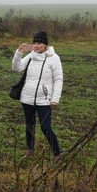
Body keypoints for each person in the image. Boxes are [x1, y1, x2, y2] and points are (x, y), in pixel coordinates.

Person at [12, 31, 63, 160]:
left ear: (45, 44)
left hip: (44, 100)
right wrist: (19, 53)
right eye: (34, 43)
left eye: (39, 43)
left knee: (46, 128)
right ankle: (30, 150)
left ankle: (57, 154)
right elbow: (16, 68)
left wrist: (55, 98)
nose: (36, 46)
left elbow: (58, 79)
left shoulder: (54, 58)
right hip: (27, 98)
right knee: (29, 126)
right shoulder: (30, 56)